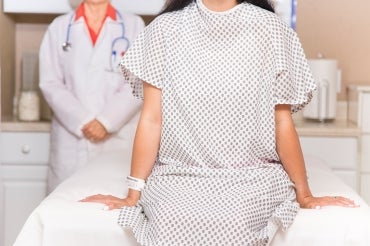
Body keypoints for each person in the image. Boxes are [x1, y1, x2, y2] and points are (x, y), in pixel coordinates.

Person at [81, 0, 357, 245]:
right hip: (179, 174)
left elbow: (281, 121)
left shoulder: (271, 29)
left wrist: (305, 194)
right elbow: (152, 119)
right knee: (170, 219)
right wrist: (133, 194)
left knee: (233, 220)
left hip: (253, 176)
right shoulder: (164, 29)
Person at [39, 0, 144, 192]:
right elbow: (50, 83)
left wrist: (106, 121)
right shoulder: (59, 27)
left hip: (117, 138)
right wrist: (84, 120)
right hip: (72, 140)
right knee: (65, 209)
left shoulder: (134, 26)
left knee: (111, 211)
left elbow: (137, 82)